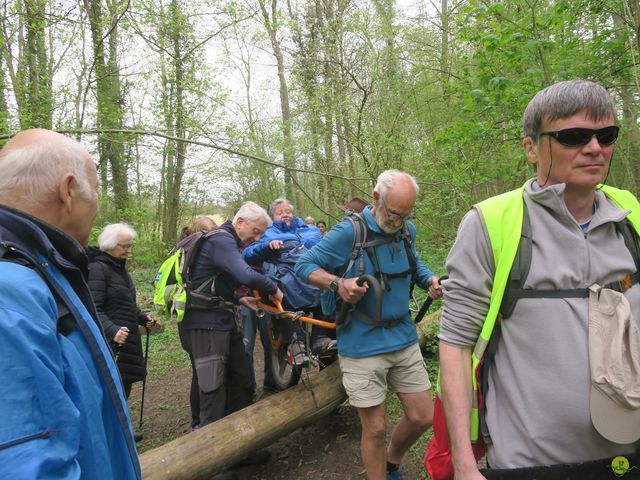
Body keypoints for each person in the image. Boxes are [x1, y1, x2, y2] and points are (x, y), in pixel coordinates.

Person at [438, 80, 640, 479]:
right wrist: (463, 463)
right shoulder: (491, 223)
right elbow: (456, 346)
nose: (595, 148)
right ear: (530, 147)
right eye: (574, 136)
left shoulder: (630, 214)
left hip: (627, 454)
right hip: (528, 461)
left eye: (606, 135)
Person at [0, 129, 141, 479]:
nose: (96, 204)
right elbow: (25, 462)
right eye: (94, 190)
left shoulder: (45, 270)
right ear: (67, 191)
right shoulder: (11, 292)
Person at [295, 170, 442, 480]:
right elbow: (303, 266)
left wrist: (430, 279)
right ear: (376, 198)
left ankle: (392, 462)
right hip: (362, 343)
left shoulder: (406, 230)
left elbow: (415, 265)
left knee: (422, 417)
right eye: (393, 213)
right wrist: (338, 283)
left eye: (406, 215)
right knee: (375, 429)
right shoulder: (348, 233)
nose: (399, 221)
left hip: (403, 338)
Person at [180, 201, 283, 428]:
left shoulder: (226, 241)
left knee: (242, 379)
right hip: (206, 326)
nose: (256, 239)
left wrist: (239, 298)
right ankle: (212, 453)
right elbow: (244, 274)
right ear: (239, 222)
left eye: (261, 235)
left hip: (222, 320)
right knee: (213, 390)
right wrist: (272, 288)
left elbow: (210, 280)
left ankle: (242, 446)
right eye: (255, 232)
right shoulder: (221, 239)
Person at [88, 223, 155, 442]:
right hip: (111, 343)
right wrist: (111, 329)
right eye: (124, 246)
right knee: (110, 393)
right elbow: (92, 307)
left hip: (126, 341)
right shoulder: (98, 269)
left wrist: (142, 317)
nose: (129, 250)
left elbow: (125, 303)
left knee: (122, 389)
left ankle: (120, 433)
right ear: (110, 245)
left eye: (129, 246)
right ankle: (108, 438)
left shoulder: (119, 268)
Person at [243, 198, 326, 366]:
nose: (285, 215)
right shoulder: (267, 232)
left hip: (310, 268)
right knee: (285, 286)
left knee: (328, 287)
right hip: (283, 269)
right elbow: (248, 253)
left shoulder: (309, 229)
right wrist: (267, 246)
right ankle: (296, 344)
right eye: (279, 213)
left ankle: (320, 339)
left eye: (288, 211)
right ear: (272, 216)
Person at [176, 215, 218, 431]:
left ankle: (199, 419)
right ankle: (199, 421)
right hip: (195, 318)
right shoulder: (195, 249)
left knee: (199, 368)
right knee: (204, 370)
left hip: (185, 318)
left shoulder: (181, 248)